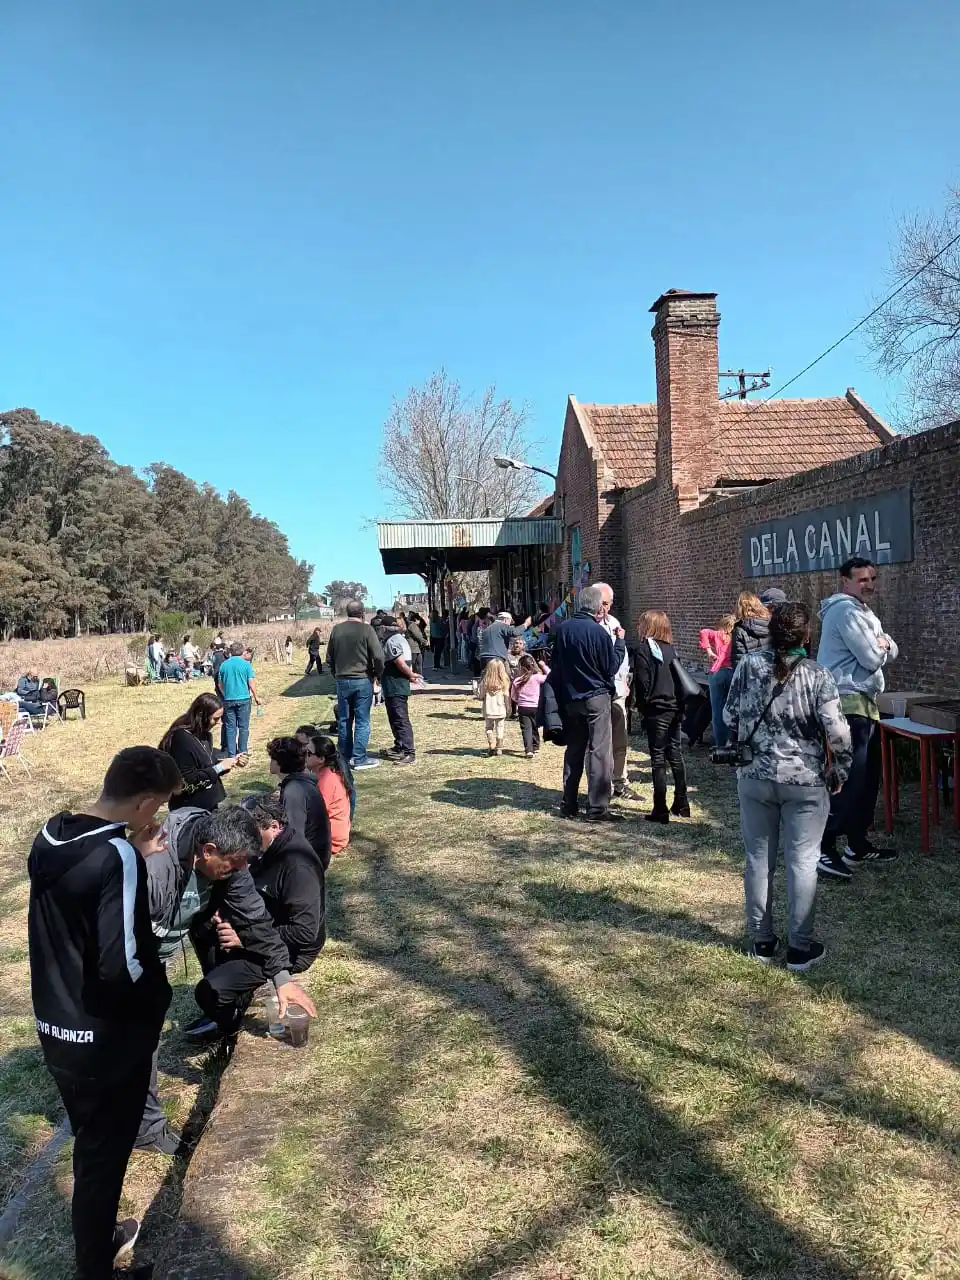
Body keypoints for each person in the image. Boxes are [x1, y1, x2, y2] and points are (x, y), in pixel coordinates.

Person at [28, 746, 182, 1278]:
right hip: (106, 1038)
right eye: (158, 806)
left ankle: (98, 1237)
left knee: (93, 1146)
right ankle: (95, 1266)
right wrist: (159, 1001)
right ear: (143, 803)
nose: (157, 817)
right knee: (102, 1158)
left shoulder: (52, 835)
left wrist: (130, 851)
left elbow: (77, 903)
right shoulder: (117, 857)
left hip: (55, 1022)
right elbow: (125, 965)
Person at [724, 602, 853, 973]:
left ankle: (761, 939)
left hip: (754, 776)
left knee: (758, 859)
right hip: (805, 780)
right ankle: (800, 946)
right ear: (806, 636)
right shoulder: (818, 675)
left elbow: (729, 715)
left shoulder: (748, 667)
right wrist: (840, 770)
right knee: (803, 862)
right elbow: (838, 732)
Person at [145, 804, 317, 1053]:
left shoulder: (232, 865)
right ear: (208, 851)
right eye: (236, 864)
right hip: (133, 956)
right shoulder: (157, 868)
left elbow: (255, 919)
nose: (243, 870)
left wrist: (282, 979)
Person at [816, 557, 899, 879]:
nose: (870, 584)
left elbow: (891, 649)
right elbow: (871, 656)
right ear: (845, 582)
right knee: (848, 779)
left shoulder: (864, 613)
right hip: (847, 704)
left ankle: (856, 843)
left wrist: (884, 644)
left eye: (872, 578)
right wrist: (881, 646)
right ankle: (823, 848)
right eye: (862, 579)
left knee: (867, 779)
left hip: (866, 704)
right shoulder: (845, 611)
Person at [547, 584, 625, 823]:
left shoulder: (562, 630)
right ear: (596, 607)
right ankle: (597, 808)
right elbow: (610, 667)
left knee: (575, 749)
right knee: (599, 751)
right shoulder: (598, 633)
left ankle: (568, 802)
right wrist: (620, 643)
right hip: (596, 697)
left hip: (572, 698)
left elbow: (556, 664)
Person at [241, 797, 327, 975]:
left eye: (251, 834)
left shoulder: (297, 867)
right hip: (266, 921)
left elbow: (304, 931)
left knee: (220, 982)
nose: (245, 841)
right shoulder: (267, 847)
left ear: (274, 826)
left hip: (292, 951)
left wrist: (247, 937)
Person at [633, 611, 690, 823]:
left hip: (656, 708)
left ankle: (660, 807)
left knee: (658, 758)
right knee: (675, 754)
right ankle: (682, 803)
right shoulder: (670, 649)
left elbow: (642, 682)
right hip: (674, 706)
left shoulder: (644, 649)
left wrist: (641, 706)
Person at [325, 600, 384, 770]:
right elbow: (379, 656)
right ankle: (359, 759)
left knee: (344, 720)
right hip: (362, 679)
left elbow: (329, 658)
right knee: (362, 721)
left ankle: (343, 757)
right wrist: (377, 675)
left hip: (342, 680)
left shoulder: (337, 630)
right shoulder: (367, 629)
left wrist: (336, 674)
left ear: (347, 612)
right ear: (362, 613)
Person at [160, 693, 241, 812]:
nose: (219, 723)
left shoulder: (205, 735)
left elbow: (207, 765)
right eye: (216, 718)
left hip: (209, 805)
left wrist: (231, 762)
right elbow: (188, 780)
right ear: (202, 716)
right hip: (190, 809)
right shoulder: (181, 739)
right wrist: (219, 767)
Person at [596, 584, 636, 801]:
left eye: (608, 604)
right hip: (598, 693)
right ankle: (601, 787)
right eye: (602, 604)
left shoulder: (614, 623)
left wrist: (625, 680)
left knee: (620, 740)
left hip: (618, 690)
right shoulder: (587, 626)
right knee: (599, 743)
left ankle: (621, 782)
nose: (605, 609)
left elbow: (623, 658)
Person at [268, 736, 332, 870]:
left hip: (308, 863)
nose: (270, 762)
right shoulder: (301, 783)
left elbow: (294, 835)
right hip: (313, 856)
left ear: (280, 763)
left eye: (272, 758)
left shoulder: (294, 791)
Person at [380, 614, 421, 765]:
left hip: (396, 685)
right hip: (393, 685)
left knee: (400, 718)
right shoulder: (399, 639)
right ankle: (399, 746)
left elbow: (400, 662)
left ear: (384, 628)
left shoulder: (393, 641)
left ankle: (409, 752)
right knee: (394, 717)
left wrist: (411, 674)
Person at [304, 735, 353, 851]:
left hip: (331, 839)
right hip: (329, 833)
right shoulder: (325, 773)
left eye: (309, 753)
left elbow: (315, 813)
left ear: (321, 759)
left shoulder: (327, 779)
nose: (304, 756)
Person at [216, 641, 262, 756]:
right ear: (242, 651)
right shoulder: (246, 665)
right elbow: (251, 682)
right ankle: (242, 751)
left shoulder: (224, 665)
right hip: (244, 699)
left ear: (230, 651)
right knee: (243, 727)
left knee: (230, 727)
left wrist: (225, 694)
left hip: (228, 700)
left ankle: (231, 753)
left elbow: (219, 684)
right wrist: (256, 697)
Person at [700, 613, 736, 749]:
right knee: (731, 708)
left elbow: (703, 632)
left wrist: (709, 651)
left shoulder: (717, 634)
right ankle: (731, 742)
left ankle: (718, 743)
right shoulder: (736, 637)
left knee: (717, 710)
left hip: (717, 671)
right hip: (733, 672)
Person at [510, 653, 550, 758]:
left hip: (523, 707)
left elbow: (513, 696)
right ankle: (536, 746)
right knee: (534, 727)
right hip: (535, 706)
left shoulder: (517, 680)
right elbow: (550, 676)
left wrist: (518, 701)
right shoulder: (537, 678)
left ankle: (529, 750)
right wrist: (544, 666)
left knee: (526, 728)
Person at [479, 658, 511, 756]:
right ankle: (499, 748)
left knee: (489, 728)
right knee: (500, 727)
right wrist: (508, 707)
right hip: (500, 708)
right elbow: (506, 696)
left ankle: (491, 744)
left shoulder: (485, 681)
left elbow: (481, 695)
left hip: (488, 709)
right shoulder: (505, 681)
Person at [731, 592, 771, 666]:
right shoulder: (771, 623)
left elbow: (739, 661)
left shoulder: (739, 630)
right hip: (771, 671)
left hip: (752, 673)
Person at [405, 611, 427, 677]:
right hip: (413, 646)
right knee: (415, 663)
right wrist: (425, 642)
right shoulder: (413, 625)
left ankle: (419, 676)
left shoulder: (410, 624)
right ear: (416, 620)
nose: (419, 621)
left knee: (419, 662)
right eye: (419, 620)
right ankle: (415, 676)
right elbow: (418, 635)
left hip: (415, 646)